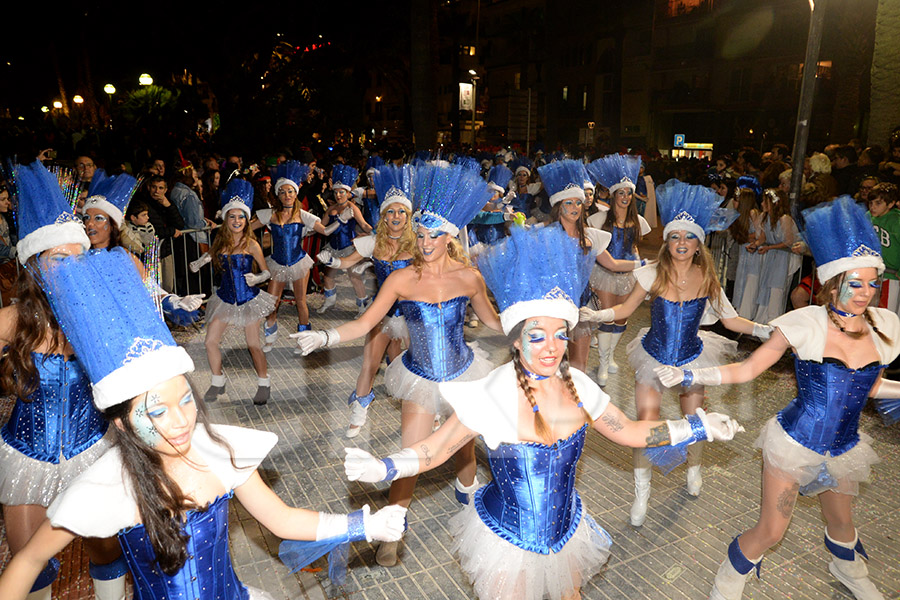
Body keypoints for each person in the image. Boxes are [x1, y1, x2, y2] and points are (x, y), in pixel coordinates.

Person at [343, 225, 744, 600]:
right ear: (516, 341)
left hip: (568, 531)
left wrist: (697, 425)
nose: (551, 347)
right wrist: (384, 468)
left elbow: (633, 433)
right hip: (508, 540)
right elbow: (437, 449)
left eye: (560, 334)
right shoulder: (494, 392)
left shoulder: (579, 386)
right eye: (537, 336)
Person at [0, 247, 406, 600]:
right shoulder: (106, 486)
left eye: (186, 399)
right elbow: (30, 559)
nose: (179, 421)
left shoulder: (219, 450)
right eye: (155, 411)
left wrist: (363, 524)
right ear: (121, 425)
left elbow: (281, 519)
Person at [655, 196, 897, 600]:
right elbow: (747, 370)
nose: (865, 293)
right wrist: (690, 373)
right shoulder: (805, 324)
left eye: (873, 282)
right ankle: (729, 578)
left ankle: (849, 568)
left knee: (842, 524)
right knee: (772, 530)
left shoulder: (886, 326)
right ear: (833, 282)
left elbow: (870, 386)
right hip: (794, 444)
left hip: (846, 447)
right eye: (855, 283)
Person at [295, 162, 502, 567]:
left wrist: (533, 324)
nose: (424, 243)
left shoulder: (469, 277)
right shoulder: (401, 280)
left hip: (463, 374)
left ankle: (468, 505)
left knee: (463, 452)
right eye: (420, 235)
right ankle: (395, 526)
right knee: (411, 454)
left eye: (433, 236)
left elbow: (494, 322)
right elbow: (366, 323)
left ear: (449, 237)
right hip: (420, 377)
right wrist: (325, 337)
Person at [580, 179, 773, 526]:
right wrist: (599, 315)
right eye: (675, 236)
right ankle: (642, 495)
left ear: (699, 242)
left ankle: (694, 470)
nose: (681, 243)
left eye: (688, 237)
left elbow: (730, 320)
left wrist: (762, 329)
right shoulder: (650, 273)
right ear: (667, 241)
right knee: (646, 424)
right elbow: (624, 310)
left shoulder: (709, 278)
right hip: (653, 356)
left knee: (697, 421)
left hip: (693, 360)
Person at [0, 161, 125, 600]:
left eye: (78, 257)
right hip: (25, 455)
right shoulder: (15, 319)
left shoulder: (99, 314)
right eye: (59, 258)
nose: (71, 268)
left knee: (106, 550)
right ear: (35, 263)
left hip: (91, 451)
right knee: (27, 565)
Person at [317, 164, 416, 438]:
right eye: (390, 212)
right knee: (369, 363)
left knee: (411, 366)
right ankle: (360, 407)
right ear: (383, 216)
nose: (395, 216)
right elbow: (348, 260)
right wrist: (333, 260)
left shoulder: (418, 244)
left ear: (408, 216)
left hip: (412, 315)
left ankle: (421, 411)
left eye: (401, 212)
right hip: (382, 314)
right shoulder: (375, 242)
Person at [537, 159, 645, 373]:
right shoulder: (546, 236)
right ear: (558, 206)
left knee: (579, 365)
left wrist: (643, 264)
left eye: (578, 202)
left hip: (582, 305)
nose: (575, 207)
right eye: (568, 203)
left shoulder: (588, 237)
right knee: (548, 360)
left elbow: (612, 264)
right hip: (552, 304)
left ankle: (576, 401)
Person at [193, 178, 276, 405]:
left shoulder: (252, 244)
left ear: (246, 220)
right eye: (232, 216)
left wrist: (258, 277)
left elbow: (267, 272)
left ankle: (264, 383)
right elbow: (212, 254)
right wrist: (201, 261)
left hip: (248, 299)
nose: (236, 220)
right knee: (210, 341)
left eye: (241, 217)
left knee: (253, 344)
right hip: (225, 298)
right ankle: (217, 382)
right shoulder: (220, 241)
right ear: (226, 218)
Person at [584, 154, 652, 385]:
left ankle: (610, 356)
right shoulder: (598, 219)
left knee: (622, 319)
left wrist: (641, 268)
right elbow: (604, 256)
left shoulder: (638, 221)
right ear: (613, 195)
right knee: (606, 319)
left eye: (628, 192)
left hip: (628, 275)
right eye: (620, 192)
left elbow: (633, 247)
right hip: (605, 275)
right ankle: (602, 364)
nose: (625, 197)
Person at [258, 161, 328, 351]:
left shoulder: (304, 215)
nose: (287, 195)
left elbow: (326, 230)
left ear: (296, 193)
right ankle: (270, 338)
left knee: (301, 302)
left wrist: (340, 219)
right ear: (278, 194)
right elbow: (247, 226)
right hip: (278, 263)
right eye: (283, 192)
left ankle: (304, 340)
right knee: (272, 303)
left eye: (290, 191)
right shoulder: (271, 215)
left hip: (299, 262)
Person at [317, 164, 373, 315]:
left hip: (348, 247)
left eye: (342, 192)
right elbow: (321, 226)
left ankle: (362, 307)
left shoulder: (352, 208)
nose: (338, 195)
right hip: (333, 248)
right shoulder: (331, 209)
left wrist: (374, 232)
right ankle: (330, 301)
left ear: (348, 193)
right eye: (336, 192)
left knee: (354, 277)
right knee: (328, 276)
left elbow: (363, 224)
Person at [753, 188, 800, 322]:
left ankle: (773, 319)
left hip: (783, 258)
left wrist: (769, 247)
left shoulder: (785, 219)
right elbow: (763, 236)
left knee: (776, 288)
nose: (762, 204)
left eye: (765, 201)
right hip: (772, 256)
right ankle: (762, 318)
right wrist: (755, 244)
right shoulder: (765, 217)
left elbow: (788, 241)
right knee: (766, 285)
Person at [730, 177, 765, 318]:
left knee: (750, 282)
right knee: (741, 280)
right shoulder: (739, 216)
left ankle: (747, 314)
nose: (734, 202)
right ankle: (739, 312)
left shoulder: (753, 213)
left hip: (753, 254)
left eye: (737, 199)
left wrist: (746, 238)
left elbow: (759, 235)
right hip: (744, 253)